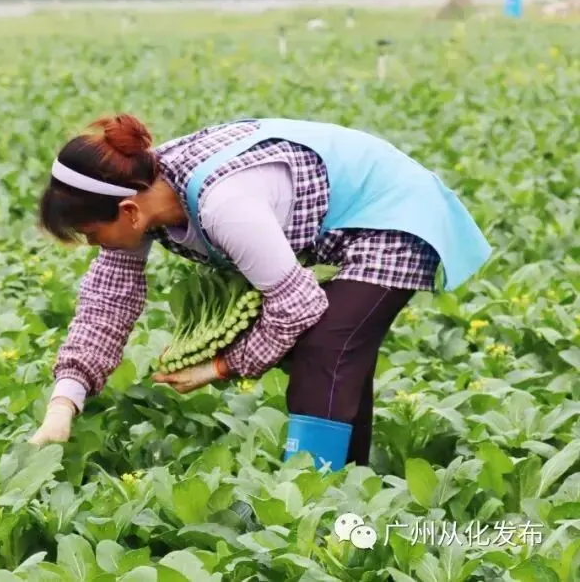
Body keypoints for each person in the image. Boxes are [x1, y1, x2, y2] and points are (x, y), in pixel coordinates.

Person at [27, 114, 491, 471]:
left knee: (325, 347)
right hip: (350, 215)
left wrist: (219, 367)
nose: (93, 246)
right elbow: (107, 305)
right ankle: (353, 487)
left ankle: (317, 502)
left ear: (128, 211)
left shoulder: (226, 206)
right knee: (337, 356)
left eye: (91, 234)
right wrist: (62, 405)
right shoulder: (137, 187)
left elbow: (298, 307)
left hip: (392, 211)